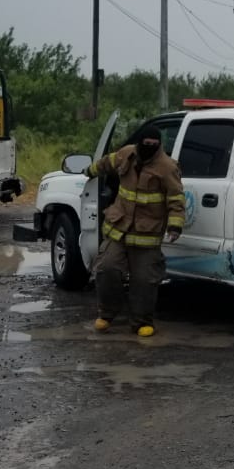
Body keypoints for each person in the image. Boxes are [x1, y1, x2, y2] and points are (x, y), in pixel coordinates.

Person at [84, 126, 185, 337]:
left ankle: (141, 322)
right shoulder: (126, 154)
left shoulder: (167, 167)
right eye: (146, 144)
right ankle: (106, 314)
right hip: (118, 228)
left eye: (154, 145)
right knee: (106, 268)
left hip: (146, 235)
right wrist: (89, 171)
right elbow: (106, 163)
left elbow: (176, 199)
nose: (150, 148)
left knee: (144, 280)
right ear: (139, 143)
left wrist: (175, 226)